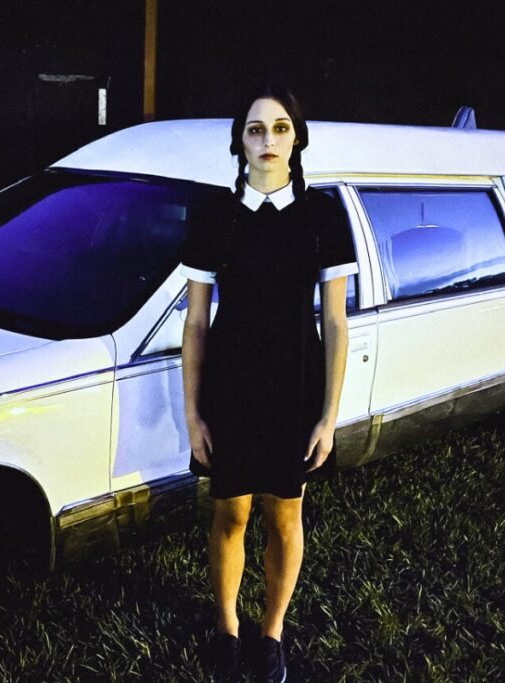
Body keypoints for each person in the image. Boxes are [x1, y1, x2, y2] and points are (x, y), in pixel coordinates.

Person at [180, 84, 354, 682]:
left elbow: (335, 320)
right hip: (230, 385)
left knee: (285, 515)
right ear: (240, 143)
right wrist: (194, 413)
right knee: (230, 515)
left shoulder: (322, 214)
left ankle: (271, 633)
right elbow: (197, 321)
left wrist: (328, 416)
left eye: (281, 128)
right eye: (256, 129)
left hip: (294, 385)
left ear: (297, 137)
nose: (269, 139)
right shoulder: (215, 217)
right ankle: (228, 630)